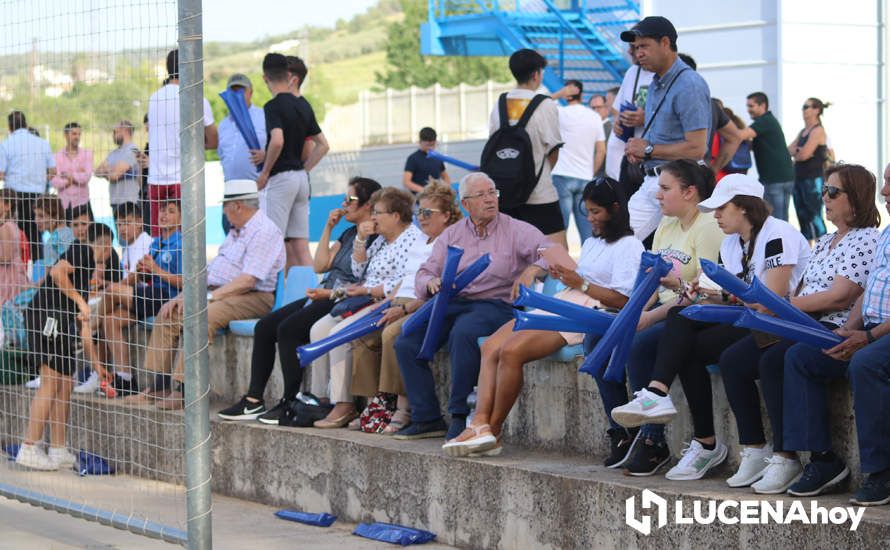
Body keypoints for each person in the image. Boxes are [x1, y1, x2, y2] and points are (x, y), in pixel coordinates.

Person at [610, 173, 811, 481]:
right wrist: (700, 293)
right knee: (682, 323)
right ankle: (684, 420)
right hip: (749, 320)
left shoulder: (777, 233)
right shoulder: (732, 243)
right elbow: (732, 298)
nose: (715, 215)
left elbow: (771, 302)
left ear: (744, 207)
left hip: (777, 324)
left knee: (716, 351)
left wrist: (719, 294)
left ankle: (747, 446)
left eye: (722, 208)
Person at [443, 177, 643, 457]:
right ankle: (479, 425)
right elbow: (564, 265)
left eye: (596, 212)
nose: (590, 219)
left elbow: (623, 300)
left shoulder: (630, 246)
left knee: (511, 352)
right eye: (587, 212)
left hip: (590, 310)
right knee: (490, 346)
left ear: (615, 209)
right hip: (565, 301)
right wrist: (565, 277)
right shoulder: (593, 243)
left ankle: (494, 430)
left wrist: (580, 283)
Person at [717, 163, 880, 494]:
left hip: (833, 327)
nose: (825, 197)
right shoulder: (824, 240)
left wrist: (781, 305)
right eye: (824, 190)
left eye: (833, 192)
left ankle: (811, 458)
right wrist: (780, 308)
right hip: (804, 322)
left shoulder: (867, 239)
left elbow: (840, 296)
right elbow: (804, 290)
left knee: (781, 359)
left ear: (857, 197)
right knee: (734, 360)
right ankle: (754, 448)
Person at [393, 172, 553, 441]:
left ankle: (460, 415)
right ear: (465, 204)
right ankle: (427, 416)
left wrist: (534, 269)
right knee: (406, 340)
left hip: (495, 304)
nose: (490, 199)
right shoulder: (452, 234)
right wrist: (431, 282)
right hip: (453, 301)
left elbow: (551, 249)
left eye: (493, 193)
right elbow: (424, 272)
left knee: (464, 332)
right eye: (481, 195)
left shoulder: (515, 229)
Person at [216, 177, 380, 424]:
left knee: (288, 330)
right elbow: (320, 264)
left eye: (351, 199)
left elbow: (363, 277)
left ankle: (290, 400)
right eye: (345, 198)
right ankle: (253, 401)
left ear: (368, 205)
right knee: (265, 327)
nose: (344, 204)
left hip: (339, 298)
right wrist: (327, 227)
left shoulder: (374, 238)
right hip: (322, 292)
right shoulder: (347, 233)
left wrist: (332, 292)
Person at [778, 162, 890, 506]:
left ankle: (881, 472)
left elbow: (841, 294)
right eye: (885, 182)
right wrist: (847, 330)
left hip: (882, 334)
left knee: (865, 364)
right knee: (800, 357)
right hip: (869, 327)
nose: (885, 192)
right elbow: (866, 294)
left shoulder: (868, 236)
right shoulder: (887, 234)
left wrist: (867, 339)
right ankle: (823, 460)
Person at [618, 160, 724, 475]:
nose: (658, 196)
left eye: (665, 189)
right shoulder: (667, 222)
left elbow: (702, 291)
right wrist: (637, 311)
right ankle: (628, 433)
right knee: (606, 336)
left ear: (690, 192)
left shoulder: (708, 226)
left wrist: (649, 319)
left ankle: (653, 441)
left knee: (640, 344)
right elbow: (654, 279)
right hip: (668, 308)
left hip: (690, 311)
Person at [143, 179, 284, 410]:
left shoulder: (264, 231)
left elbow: (248, 280)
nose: (224, 212)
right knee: (169, 311)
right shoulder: (236, 232)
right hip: (220, 293)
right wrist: (185, 295)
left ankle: (185, 391)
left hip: (253, 296)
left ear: (238, 206)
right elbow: (212, 272)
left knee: (200, 316)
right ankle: (158, 386)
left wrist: (209, 297)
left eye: (225, 206)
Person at [350, 182, 462, 434]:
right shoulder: (422, 238)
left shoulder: (450, 239)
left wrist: (404, 308)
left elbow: (441, 288)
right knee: (362, 333)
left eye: (427, 213)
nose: (420, 218)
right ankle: (374, 407)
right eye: (419, 212)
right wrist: (392, 299)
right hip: (401, 299)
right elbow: (409, 275)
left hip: (423, 304)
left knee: (393, 334)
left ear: (446, 215)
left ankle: (403, 407)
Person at [311, 187, 423, 428]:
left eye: (378, 213)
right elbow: (360, 271)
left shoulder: (412, 238)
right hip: (364, 299)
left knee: (340, 334)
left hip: (385, 301)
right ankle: (327, 399)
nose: (373, 218)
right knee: (319, 330)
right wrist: (361, 240)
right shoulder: (383, 240)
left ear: (395, 216)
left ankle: (347, 403)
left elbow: (406, 279)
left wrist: (369, 291)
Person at [14, 223, 115, 470]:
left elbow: (84, 325)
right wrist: (81, 301)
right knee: (51, 381)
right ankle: (29, 447)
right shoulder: (82, 251)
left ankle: (58, 448)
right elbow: (57, 273)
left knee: (66, 381)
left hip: (61, 322)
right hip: (47, 318)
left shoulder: (87, 267)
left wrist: (97, 366)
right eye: (110, 250)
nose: (108, 257)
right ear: (104, 245)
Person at [619, 17, 711, 242]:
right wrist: (638, 149)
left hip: (680, 187)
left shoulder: (689, 84)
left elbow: (697, 149)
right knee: (618, 241)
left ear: (665, 43)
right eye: (635, 47)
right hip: (653, 181)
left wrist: (648, 149)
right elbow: (657, 139)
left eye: (643, 46)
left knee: (675, 254)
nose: (637, 53)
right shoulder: (655, 84)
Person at [94, 200, 183, 398]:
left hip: (167, 297)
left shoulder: (181, 243)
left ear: (181, 218)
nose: (164, 215)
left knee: (111, 291)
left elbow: (186, 282)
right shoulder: (156, 243)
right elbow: (143, 276)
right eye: (161, 210)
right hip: (150, 297)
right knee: (111, 320)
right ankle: (126, 380)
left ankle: (91, 326)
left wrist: (154, 270)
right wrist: (140, 273)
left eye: (170, 211)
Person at [255, 53, 329, 268]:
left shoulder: (272, 106)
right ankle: (309, 297)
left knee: (273, 241)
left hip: (281, 179)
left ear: (264, 78)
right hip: (300, 179)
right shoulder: (303, 105)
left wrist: (265, 172)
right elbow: (323, 145)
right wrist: (303, 169)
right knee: (300, 245)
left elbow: (277, 141)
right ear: (288, 75)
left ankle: (275, 296)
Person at [488, 49, 565, 247]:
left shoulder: (500, 103)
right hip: (540, 194)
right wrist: (537, 174)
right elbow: (554, 151)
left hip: (505, 194)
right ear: (536, 74)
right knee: (558, 256)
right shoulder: (545, 104)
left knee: (511, 253)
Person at [147, 49, 217, 236]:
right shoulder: (195, 98)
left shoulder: (153, 98)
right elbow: (213, 140)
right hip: (184, 179)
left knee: (160, 240)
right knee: (187, 241)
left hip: (156, 179)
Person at [550, 80, 606, 239]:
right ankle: (588, 263)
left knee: (560, 230)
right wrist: (590, 173)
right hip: (585, 178)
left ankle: (560, 264)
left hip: (562, 175)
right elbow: (601, 151)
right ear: (582, 95)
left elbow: (539, 103)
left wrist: (558, 94)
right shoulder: (594, 117)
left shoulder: (559, 113)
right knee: (588, 231)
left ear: (566, 94)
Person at [0, 110, 56, 260]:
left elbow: (1, 173)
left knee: (14, 235)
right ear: (26, 124)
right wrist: (39, 180)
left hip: (14, 196)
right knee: (36, 236)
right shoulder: (42, 143)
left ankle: (18, 271)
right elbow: (53, 171)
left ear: (10, 127)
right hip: (37, 195)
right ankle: (37, 273)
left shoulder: (6, 144)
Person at [675, 54, 742, 175]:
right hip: (694, 175)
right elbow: (734, 137)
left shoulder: (686, 99)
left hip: (677, 177)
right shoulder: (711, 104)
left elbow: (735, 137)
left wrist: (714, 169)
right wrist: (713, 169)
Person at [218, 73, 267, 234]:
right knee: (232, 242)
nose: (237, 96)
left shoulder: (264, 116)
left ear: (250, 92)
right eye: (233, 92)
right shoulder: (223, 125)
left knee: (258, 239)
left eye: (241, 91)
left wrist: (266, 155)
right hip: (231, 193)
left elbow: (279, 146)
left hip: (257, 192)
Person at [738, 92, 795, 221]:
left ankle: (781, 242)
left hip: (775, 179)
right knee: (779, 219)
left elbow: (740, 135)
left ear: (762, 105)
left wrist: (725, 128)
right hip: (780, 177)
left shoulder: (764, 121)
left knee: (776, 220)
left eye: (751, 106)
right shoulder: (767, 122)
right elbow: (751, 144)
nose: (748, 110)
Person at [606, 46, 653, 183]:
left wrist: (645, 119)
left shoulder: (667, 76)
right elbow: (617, 109)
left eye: (636, 46)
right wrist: (618, 121)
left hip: (646, 168)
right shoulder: (633, 72)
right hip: (622, 167)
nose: (630, 51)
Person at [790, 97, 830, 242]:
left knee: (815, 216)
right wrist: (799, 151)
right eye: (803, 107)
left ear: (816, 110)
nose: (804, 110)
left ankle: (824, 250)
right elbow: (789, 150)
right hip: (799, 178)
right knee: (802, 217)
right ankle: (808, 254)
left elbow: (804, 155)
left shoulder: (818, 130)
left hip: (812, 180)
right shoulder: (803, 132)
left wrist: (799, 152)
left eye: (807, 106)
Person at [95, 121, 142, 220]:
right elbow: (97, 171)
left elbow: (114, 176)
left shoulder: (133, 150)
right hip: (115, 202)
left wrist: (108, 171)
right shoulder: (114, 153)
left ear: (125, 131)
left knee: (130, 235)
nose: (113, 135)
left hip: (130, 203)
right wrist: (112, 172)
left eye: (115, 131)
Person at [50, 122, 93, 216]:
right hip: (64, 204)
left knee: (88, 230)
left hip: (82, 202)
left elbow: (86, 177)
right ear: (65, 135)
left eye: (79, 134)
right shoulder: (56, 156)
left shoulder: (87, 154)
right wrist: (75, 177)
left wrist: (68, 176)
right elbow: (54, 181)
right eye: (74, 134)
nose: (77, 137)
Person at [0, 188, 29, 304]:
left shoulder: (5, 227)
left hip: (7, 276)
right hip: (14, 273)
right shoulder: (12, 225)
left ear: (8, 206)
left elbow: (6, 257)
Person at [403, 127, 450, 194]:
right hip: (421, 198)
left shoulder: (437, 157)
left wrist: (446, 188)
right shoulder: (413, 158)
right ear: (420, 142)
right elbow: (406, 182)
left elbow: (445, 176)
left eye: (432, 145)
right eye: (427, 145)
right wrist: (424, 191)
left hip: (436, 196)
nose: (430, 148)